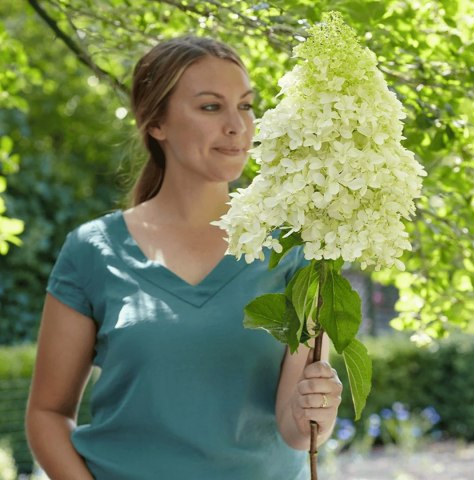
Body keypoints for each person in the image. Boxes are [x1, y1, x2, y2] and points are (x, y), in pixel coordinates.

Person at [25, 35, 342, 480]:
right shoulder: (93, 250)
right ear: (157, 123)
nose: (238, 126)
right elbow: (47, 412)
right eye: (211, 107)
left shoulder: (295, 251)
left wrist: (318, 409)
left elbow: (295, 431)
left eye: (246, 106)